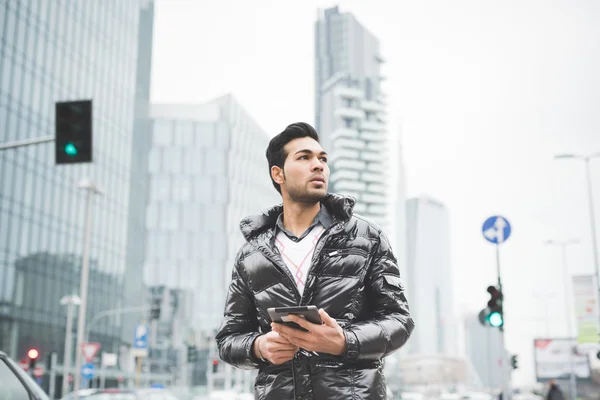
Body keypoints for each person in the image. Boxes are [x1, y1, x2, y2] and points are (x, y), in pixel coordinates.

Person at [215, 122, 415, 399]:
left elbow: (399, 320)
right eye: (304, 157)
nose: (319, 165)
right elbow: (228, 339)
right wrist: (259, 347)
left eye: (322, 158)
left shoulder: (366, 238)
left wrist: (346, 341)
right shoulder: (251, 255)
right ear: (278, 174)